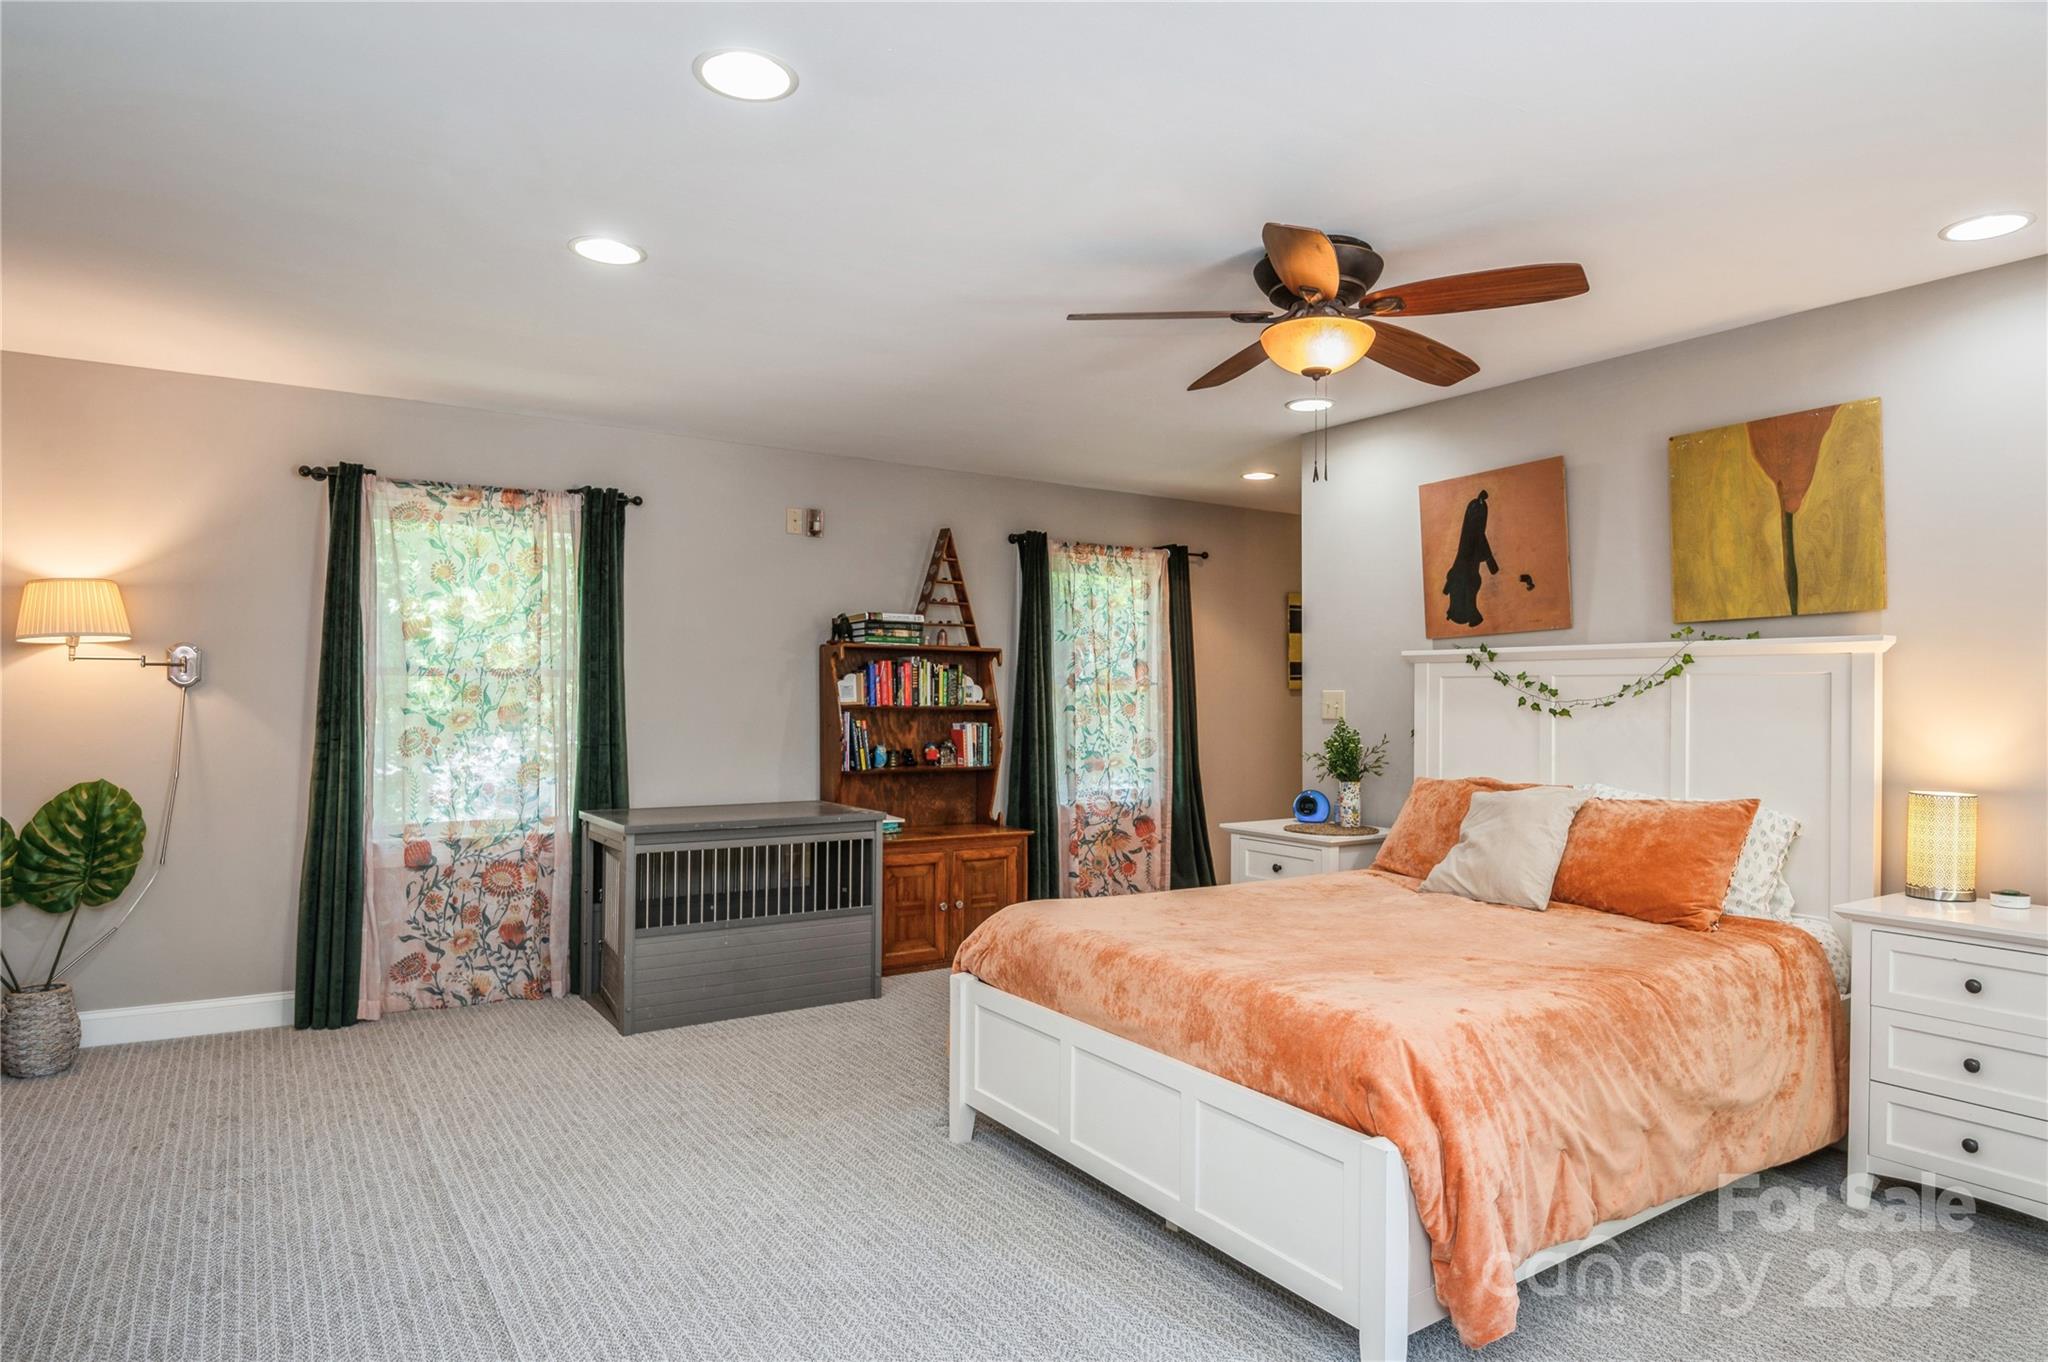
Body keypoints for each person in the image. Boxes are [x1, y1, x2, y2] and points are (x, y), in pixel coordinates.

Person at [1443, 489, 1498, 628]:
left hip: (1465, 572)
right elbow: (1478, 543)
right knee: (1463, 589)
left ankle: (1470, 614)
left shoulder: (1474, 534)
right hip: (1464, 572)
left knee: (1465, 589)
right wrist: (1490, 561)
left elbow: (1478, 542)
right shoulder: (1474, 535)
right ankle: (1469, 614)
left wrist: (1490, 561)